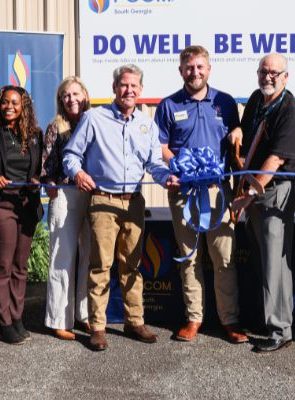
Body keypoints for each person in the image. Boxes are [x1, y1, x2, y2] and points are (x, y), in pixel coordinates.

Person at [64, 64, 179, 351]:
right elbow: (70, 155)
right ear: (114, 88)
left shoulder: (147, 124)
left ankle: (134, 320)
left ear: (141, 90)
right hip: (103, 200)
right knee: (100, 265)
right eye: (123, 85)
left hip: (134, 203)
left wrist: (167, 178)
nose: (128, 90)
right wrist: (77, 173)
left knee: (132, 265)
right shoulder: (94, 118)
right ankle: (98, 327)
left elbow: (154, 164)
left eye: (134, 86)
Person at [154, 45, 245, 344]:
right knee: (189, 257)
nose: (195, 72)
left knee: (224, 258)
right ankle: (194, 318)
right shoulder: (168, 105)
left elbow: (237, 137)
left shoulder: (225, 102)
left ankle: (229, 320)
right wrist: (176, 166)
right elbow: (162, 146)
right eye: (189, 67)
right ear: (181, 71)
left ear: (209, 69)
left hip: (218, 193)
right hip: (184, 192)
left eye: (200, 67)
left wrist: (238, 133)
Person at [230, 53, 295, 352]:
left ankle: (280, 329)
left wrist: (245, 199)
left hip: (274, 192)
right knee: (265, 259)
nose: (268, 77)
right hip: (254, 190)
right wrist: (237, 131)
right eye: (263, 71)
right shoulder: (256, 100)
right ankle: (272, 319)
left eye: (274, 73)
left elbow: (275, 159)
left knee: (276, 262)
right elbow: (248, 137)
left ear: (286, 77)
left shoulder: (290, 109)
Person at [0, 85, 43, 345]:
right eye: (5, 102)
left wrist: (37, 179)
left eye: (15, 102)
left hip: (26, 206)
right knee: (2, 267)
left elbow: (40, 169)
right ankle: (4, 322)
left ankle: (17, 317)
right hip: (0, 207)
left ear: (24, 106)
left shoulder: (35, 135)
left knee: (20, 267)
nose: (10, 106)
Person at [41, 77, 93, 341]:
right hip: (65, 195)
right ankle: (59, 319)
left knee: (89, 258)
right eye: (65, 95)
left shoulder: (96, 121)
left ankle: (85, 315)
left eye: (75, 93)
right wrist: (49, 183)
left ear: (85, 94)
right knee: (63, 258)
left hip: (93, 196)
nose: (71, 99)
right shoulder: (55, 127)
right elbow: (46, 165)